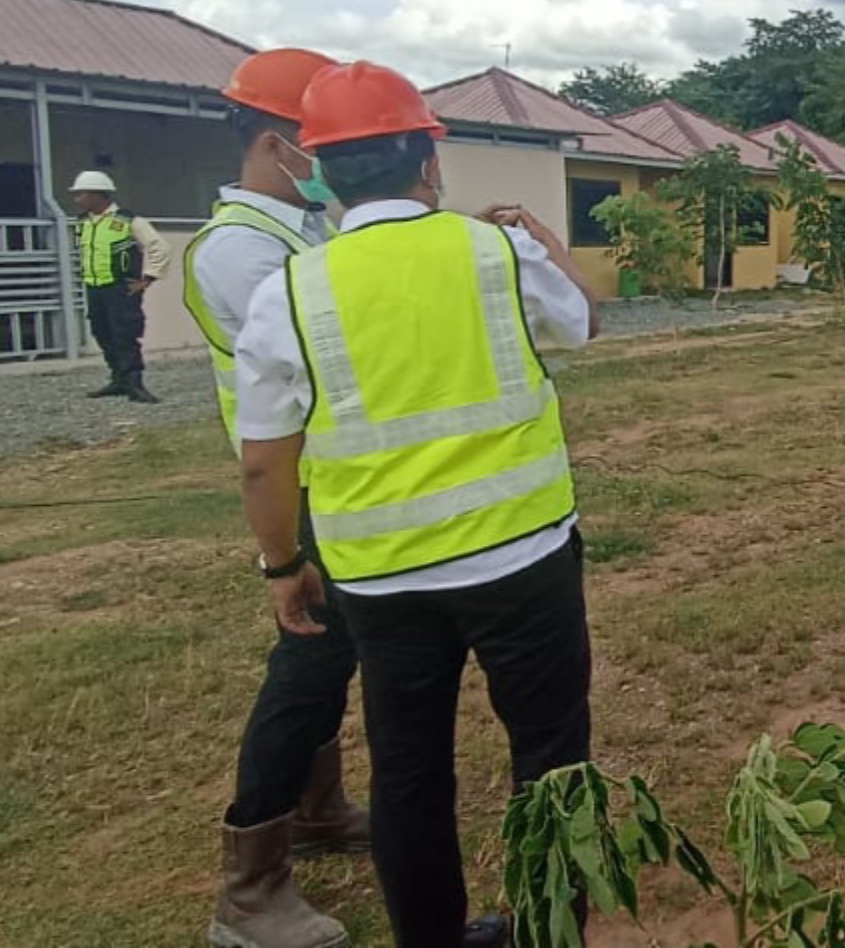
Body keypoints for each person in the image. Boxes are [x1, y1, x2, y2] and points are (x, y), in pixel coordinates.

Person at [232, 61, 601, 947]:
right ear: (429, 163)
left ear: (321, 172)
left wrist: (284, 565)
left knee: (407, 770)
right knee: (550, 758)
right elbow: (580, 320)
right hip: (525, 559)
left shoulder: (290, 290)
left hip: (381, 579)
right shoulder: (494, 252)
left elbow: (263, 461)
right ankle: (551, 931)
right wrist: (534, 237)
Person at [186, 48, 369, 948]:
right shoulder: (238, 252)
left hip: (336, 484)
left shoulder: (303, 235)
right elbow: (336, 358)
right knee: (305, 670)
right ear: (276, 142)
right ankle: (250, 889)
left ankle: (319, 808)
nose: (338, 160)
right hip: (298, 494)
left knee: (329, 665)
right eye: (325, 142)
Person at [70, 169, 169, 402]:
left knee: (125, 333)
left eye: (82, 194)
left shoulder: (127, 220)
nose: (77, 199)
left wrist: (148, 278)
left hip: (120, 288)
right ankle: (118, 379)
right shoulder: (83, 222)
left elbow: (160, 247)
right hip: (95, 287)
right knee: (101, 331)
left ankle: (134, 382)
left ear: (98, 195)